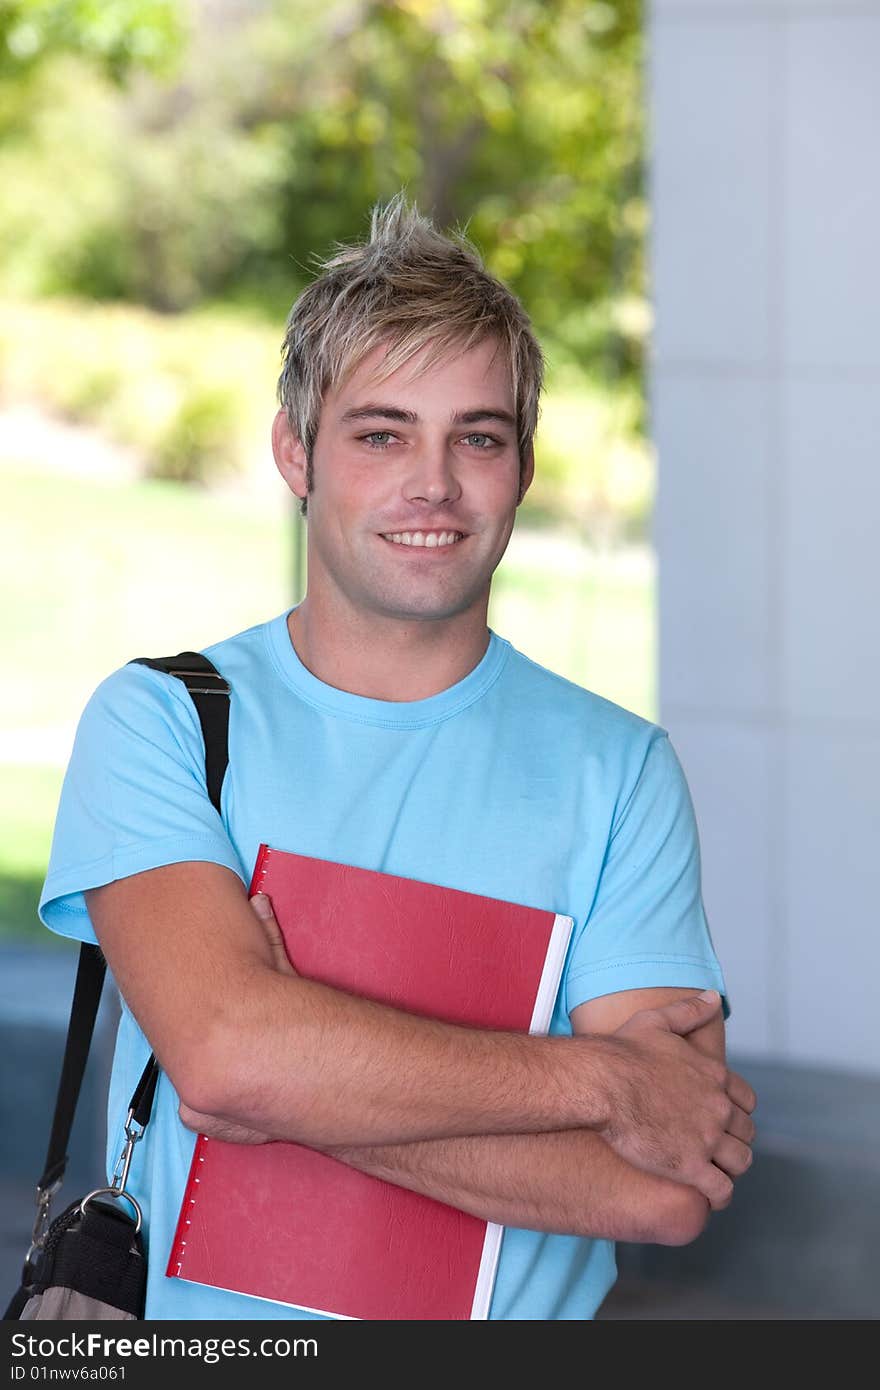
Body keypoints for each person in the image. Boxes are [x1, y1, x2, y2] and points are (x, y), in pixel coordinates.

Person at [40, 194, 756, 1322]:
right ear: (296, 452)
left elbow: (662, 1188)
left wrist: (297, 1082)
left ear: (522, 468)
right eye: (381, 434)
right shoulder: (165, 722)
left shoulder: (618, 771)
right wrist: (605, 1082)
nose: (434, 484)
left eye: (477, 435)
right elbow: (227, 1055)